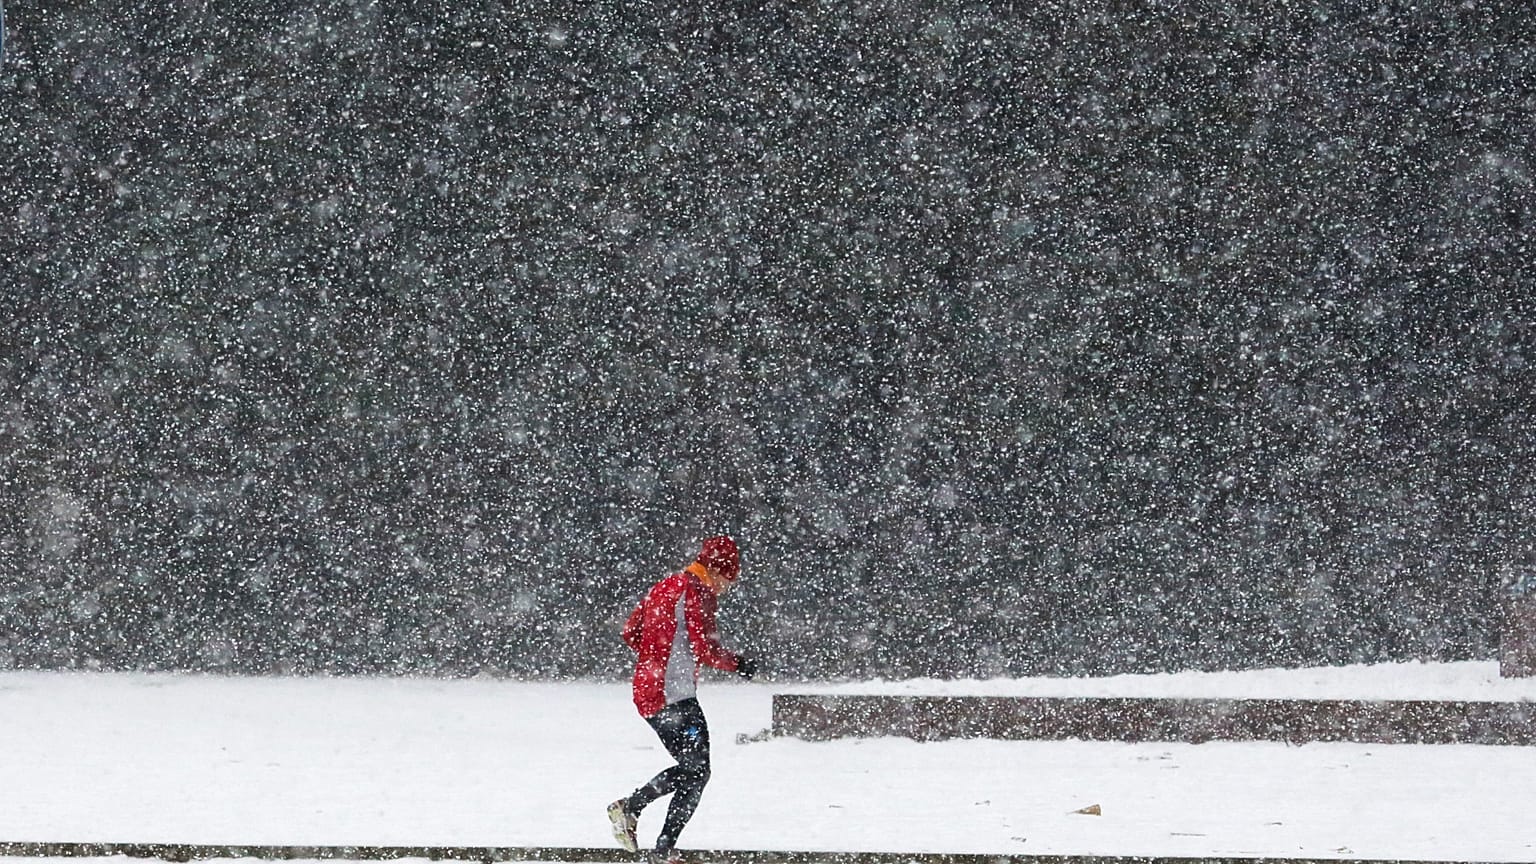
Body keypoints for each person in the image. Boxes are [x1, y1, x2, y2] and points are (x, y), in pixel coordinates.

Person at [607, 535, 756, 864]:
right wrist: (739, 664)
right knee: (698, 771)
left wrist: (654, 659)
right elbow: (706, 648)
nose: (724, 590)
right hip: (674, 694)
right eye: (727, 582)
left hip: (649, 691)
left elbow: (631, 631)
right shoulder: (697, 593)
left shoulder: (664, 585)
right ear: (717, 572)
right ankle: (639, 819)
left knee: (695, 770)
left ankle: (657, 843)